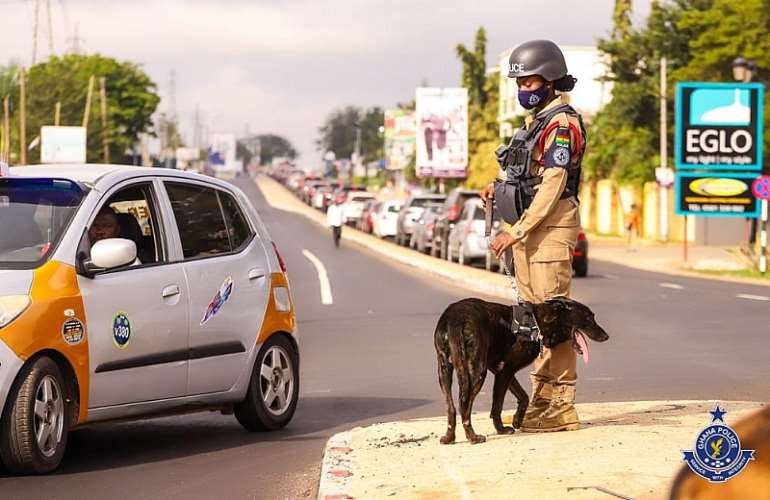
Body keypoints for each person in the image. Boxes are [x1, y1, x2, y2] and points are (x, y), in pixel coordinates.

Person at [482, 40, 587, 433]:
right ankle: (541, 401)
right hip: (530, 234)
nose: (524, 89)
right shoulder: (536, 125)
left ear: (552, 79)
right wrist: (497, 188)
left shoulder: (562, 125)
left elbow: (553, 184)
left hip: (548, 232)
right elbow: (526, 176)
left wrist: (516, 230)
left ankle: (560, 406)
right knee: (533, 323)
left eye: (531, 81)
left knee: (552, 320)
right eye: (520, 83)